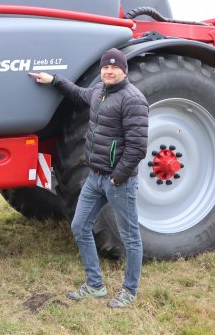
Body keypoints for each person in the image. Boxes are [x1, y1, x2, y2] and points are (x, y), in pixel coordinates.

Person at [29, 47, 148, 309]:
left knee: (129, 237)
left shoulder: (133, 100)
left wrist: (117, 177)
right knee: (80, 226)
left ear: (124, 70)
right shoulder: (100, 93)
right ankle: (95, 285)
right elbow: (77, 93)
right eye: (105, 67)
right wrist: (54, 80)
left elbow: (138, 147)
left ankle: (129, 290)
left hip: (119, 181)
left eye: (114, 67)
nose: (108, 70)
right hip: (95, 177)